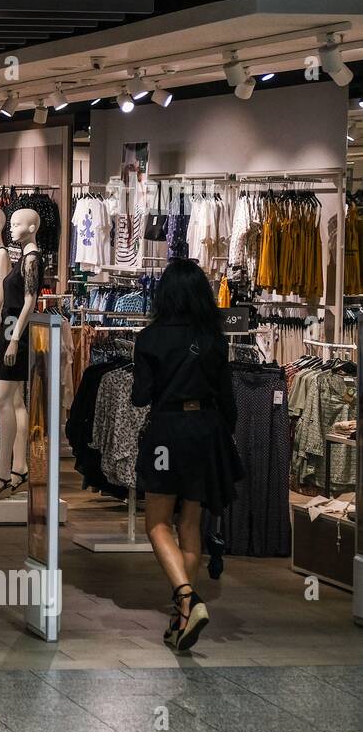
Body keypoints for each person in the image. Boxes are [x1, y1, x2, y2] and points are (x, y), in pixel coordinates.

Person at [131, 259, 244, 652]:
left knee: (157, 522)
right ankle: (181, 619)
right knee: (190, 523)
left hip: (167, 430)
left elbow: (140, 396)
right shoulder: (214, 339)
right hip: (206, 429)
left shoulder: (149, 339)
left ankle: (187, 598)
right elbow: (228, 399)